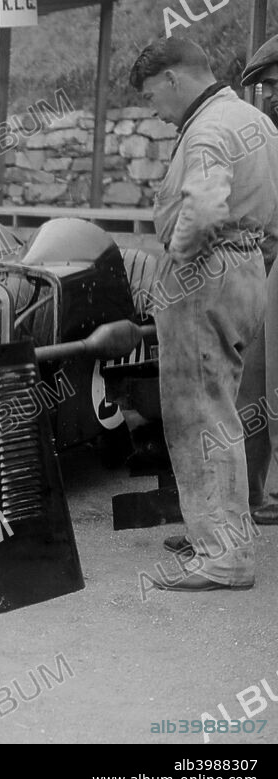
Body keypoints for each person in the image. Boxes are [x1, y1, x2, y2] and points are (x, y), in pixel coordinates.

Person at [129, 37, 278, 592]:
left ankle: (223, 555)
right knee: (221, 411)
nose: (153, 110)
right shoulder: (253, 120)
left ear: (172, 78)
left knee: (197, 417)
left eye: (151, 96)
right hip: (246, 269)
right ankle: (219, 532)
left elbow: (206, 208)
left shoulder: (208, 129)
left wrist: (178, 258)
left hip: (203, 275)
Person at [237, 34, 278, 526]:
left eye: (277, 84)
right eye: (267, 86)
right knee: (253, 387)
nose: (271, 95)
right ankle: (253, 497)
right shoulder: (264, 138)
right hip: (264, 272)